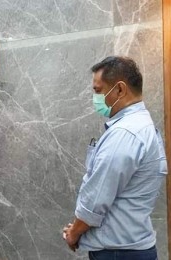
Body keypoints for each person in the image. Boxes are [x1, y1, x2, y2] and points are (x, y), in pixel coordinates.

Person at [63, 56, 167, 260]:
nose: (95, 98)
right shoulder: (141, 126)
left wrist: (74, 233)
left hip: (118, 252)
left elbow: (97, 198)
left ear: (119, 89)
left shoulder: (125, 133)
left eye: (98, 90)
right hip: (129, 247)